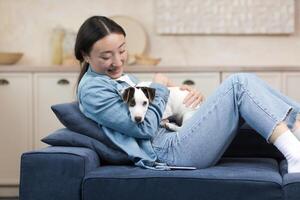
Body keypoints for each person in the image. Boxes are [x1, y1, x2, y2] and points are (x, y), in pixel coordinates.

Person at [75, 16, 300, 172]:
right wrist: (159, 88)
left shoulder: (118, 78)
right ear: (85, 55)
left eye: (122, 50)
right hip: (170, 151)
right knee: (238, 83)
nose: (117, 61)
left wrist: (182, 96)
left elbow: (161, 113)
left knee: (244, 83)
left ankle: (297, 133)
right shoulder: (92, 90)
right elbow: (143, 128)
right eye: (106, 56)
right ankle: (295, 155)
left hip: (177, 135)